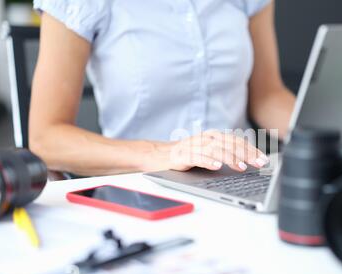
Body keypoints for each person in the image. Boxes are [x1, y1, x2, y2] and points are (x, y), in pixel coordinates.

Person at [29, 0, 296, 177]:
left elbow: (267, 96)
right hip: (144, 186)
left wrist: (325, 135)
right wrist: (167, 153)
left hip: (245, 176)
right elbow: (46, 139)